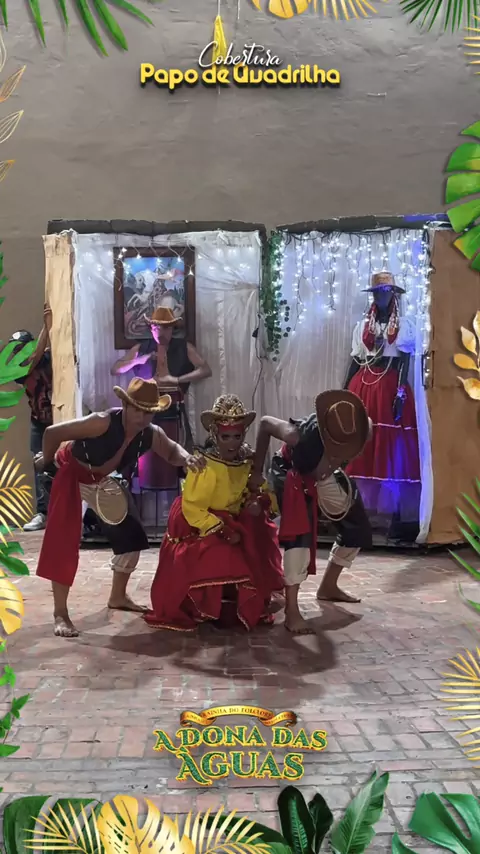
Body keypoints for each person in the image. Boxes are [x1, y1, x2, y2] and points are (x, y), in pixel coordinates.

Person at [34, 377, 205, 639]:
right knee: (63, 542)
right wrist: (46, 462)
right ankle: (61, 613)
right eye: (138, 409)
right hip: (69, 472)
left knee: (132, 535)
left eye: (149, 412)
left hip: (99, 480)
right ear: (125, 405)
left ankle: (118, 596)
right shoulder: (101, 421)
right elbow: (52, 433)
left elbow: (172, 452)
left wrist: (188, 458)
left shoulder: (150, 434)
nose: (143, 417)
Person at [143, 394, 284, 632]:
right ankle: (204, 606)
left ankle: (231, 604)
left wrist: (257, 500)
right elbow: (193, 508)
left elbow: (258, 491)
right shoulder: (204, 466)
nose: (232, 443)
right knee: (220, 554)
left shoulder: (247, 461)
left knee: (258, 541)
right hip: (199, 520)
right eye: (225, 436)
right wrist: (223, 530)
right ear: (215, 435)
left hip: (233, 518)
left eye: (237, 436)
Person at [249, 390, 373, 635]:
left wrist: (332, 464)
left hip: (323, 474)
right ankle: (292, 610)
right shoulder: (297, 435)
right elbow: (265, 423)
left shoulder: (362, 429)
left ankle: (328, 586)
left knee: (357, 524)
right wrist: (256, 471)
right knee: (300, 536)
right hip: (292, 472)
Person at [345, 271, 420, 536]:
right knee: (362, 443)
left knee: (391, 447)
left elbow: (404, 361)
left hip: (388, 386)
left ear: (394, 295)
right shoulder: (363, 326)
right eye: (377, 293)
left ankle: (394, 514)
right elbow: (356, 360)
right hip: (364, 384)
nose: (382, 297)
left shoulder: (404, 326)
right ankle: (360, 513)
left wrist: (400, 393)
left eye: (386, 293)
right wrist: (344, 390)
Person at [111, 306, 211, 451]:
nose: (161, 333)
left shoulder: (183, 347)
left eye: (166, 328)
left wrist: (177, 380)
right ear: (151, 328)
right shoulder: (142, 348)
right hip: (144, 407)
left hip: (174, 406)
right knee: (145, 449)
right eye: (157, 328)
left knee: (176, 447)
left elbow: (205, 370)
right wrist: (139, 360)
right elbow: (115, 370)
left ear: (172, 329)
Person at [10, 305, 53, 531]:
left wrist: (48, 330)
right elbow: (34, 360)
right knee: (38, 465)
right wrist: (46, 327)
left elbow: (41, 355)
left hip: (57, 420)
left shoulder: (50, 359)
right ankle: (43, 513)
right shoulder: (19, 370)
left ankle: (60, 511)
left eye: (20, 348)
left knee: (60, 464)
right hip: (38, 421)